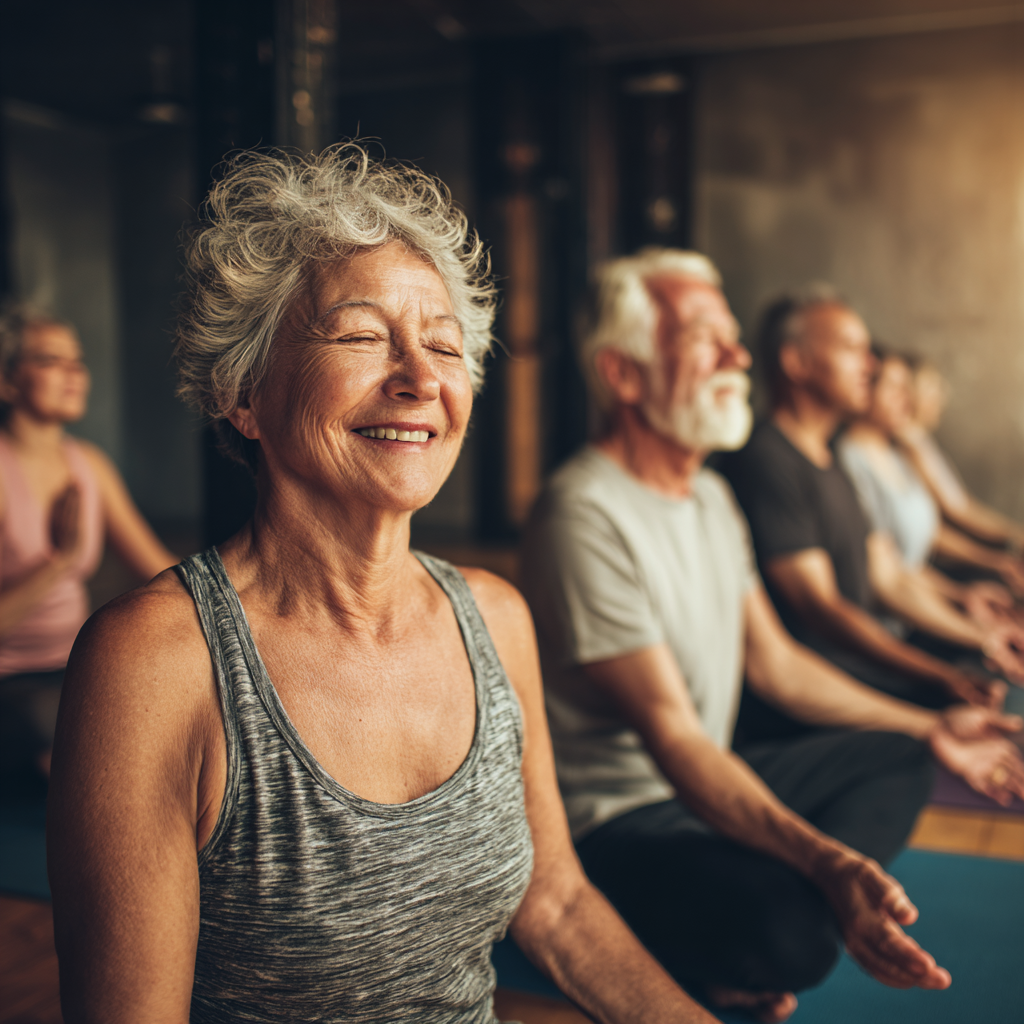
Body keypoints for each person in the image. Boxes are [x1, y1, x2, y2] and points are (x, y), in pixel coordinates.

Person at [47, 147, 725, 1024]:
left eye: (443, 345)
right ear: (243, 392)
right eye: (363, 337)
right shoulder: (156, 661)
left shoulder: (495, 617)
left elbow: (554, 904)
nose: (420, 379)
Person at [520, 249, 1024, 1024]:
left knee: (901, 758)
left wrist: (935, 726)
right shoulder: (583, 513)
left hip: (710, 775)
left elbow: (779, 665)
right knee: (794, 937)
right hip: (621, 821)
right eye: (703, 336)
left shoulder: (712, 497)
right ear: (623, 374)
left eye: (733, 335)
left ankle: (795, 882)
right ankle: (759, 903)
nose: (737, 355)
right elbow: (675, 740)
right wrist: (825, 861)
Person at [722, 290, 1011, 714]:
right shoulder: (767, 458)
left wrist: (977, 630)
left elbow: (889, 576)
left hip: (863, 663)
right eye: (850, 347)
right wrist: (939, 675)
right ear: (796, 363)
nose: (870, 364)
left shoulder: (829, 454)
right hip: (820, 689)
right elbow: (822, 609)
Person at [0, 306, 177, 780]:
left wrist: (246, 594)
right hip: (13, 682)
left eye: (76, 361)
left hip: (75, 667)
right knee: (77, 750)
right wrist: (59, 563)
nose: (73, 374)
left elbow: (159, 567)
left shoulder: (88, 464)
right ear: (7, 381)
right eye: (49, 361)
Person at [836, 348, 1024, 683]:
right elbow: (890, 579)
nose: (906, 398)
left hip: (916, 610)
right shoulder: (849, 460)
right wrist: (980, 635)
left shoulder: (896, 451)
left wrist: (965, 597)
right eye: (893, 387)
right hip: (892, 631)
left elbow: (917, 550)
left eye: (907, 387)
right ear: (865, 388)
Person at [899, 358, 1024, 553]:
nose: (941, 396)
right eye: (932, 387)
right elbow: (958, 509)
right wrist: (1014, 537)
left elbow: (960, 502)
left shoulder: (921, 439)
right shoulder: (909, 443)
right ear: (907, 393)